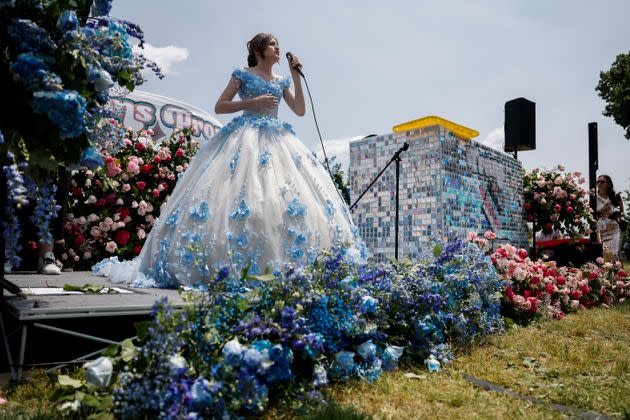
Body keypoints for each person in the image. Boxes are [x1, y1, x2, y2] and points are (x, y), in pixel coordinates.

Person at [94, 33, 365, 287]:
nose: (278, 48)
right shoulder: (242, 75)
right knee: (237, 197)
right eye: (272, 44)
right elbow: (220, 106)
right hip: (244, 138)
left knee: (277, 201)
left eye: (278, 44)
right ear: (259, 50)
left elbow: (300, 111)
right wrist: (251, 102)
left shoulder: (282, 80)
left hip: (278, 140)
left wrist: (295, 77)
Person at [595, 174, 625, 261]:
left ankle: (617, 272)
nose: (599, 183)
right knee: (605, 252)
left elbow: (622, 212)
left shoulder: (615, 197)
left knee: (614, 253)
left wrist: (617, 214)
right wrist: (604, 209)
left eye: (602, 182)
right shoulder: (594, 198)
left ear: (608, 184)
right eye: (598, 182)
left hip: (614, 227)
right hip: (601, 228)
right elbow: (592, 214)